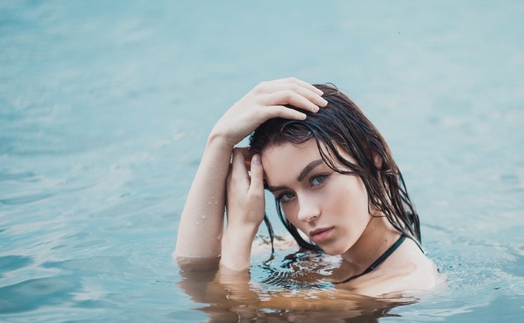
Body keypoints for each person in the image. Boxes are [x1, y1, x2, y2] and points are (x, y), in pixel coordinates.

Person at [175, 78, 441, 296]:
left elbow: (226, 314)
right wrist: (219, 142)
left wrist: (240, 228)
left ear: (373, 157)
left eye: (318, 179)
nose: (304, 214)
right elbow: (193, 269)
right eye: (286, 195)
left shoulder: (398, 287)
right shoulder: (322, 252)